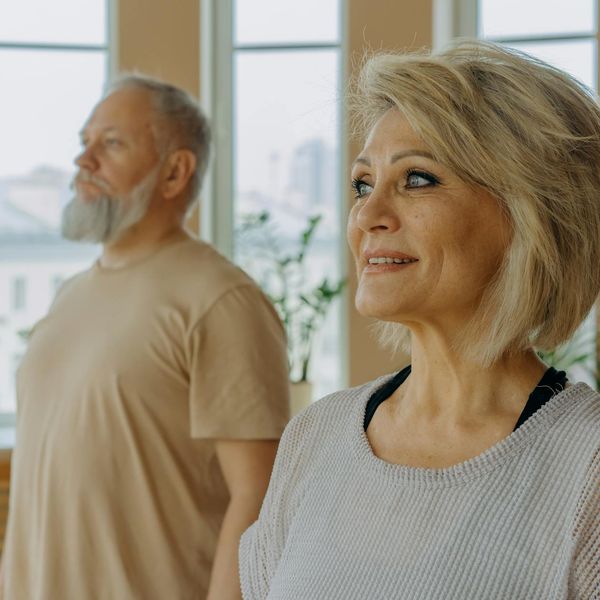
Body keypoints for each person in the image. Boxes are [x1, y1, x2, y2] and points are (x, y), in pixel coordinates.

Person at [239, 40, 600, 599]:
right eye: (363, 184)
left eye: (417, 179)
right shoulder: (314, 437)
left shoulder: (586, 466)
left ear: (529, 212)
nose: (367, 215)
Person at [2, 75, 290, 600]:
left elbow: (260, 496)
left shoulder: (220, 300)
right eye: (84, 142)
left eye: (110, 143)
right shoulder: (70, 294)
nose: (83, 161)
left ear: (175, 171)